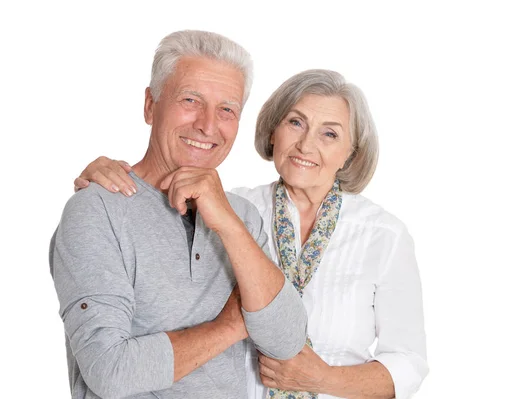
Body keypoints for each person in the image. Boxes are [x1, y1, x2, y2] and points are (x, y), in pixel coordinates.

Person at [76, 69, 429, 399]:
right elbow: (154, 195)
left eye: (330, 133)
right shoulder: (230, 210)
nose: (306, 145)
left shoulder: (383, 236)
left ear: (350, 153)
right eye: (296, 122)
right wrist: (105, 178)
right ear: (273, 131)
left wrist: (319, 377)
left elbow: (408, 363)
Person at [50, 30, 308, 399]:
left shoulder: (243, 217)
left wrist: (228, 223)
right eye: (191, 100)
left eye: (227, 110)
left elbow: (286, 343)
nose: (207, 124)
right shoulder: (97, 210)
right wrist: (231, 326)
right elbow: (110, 371)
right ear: (150, 105)